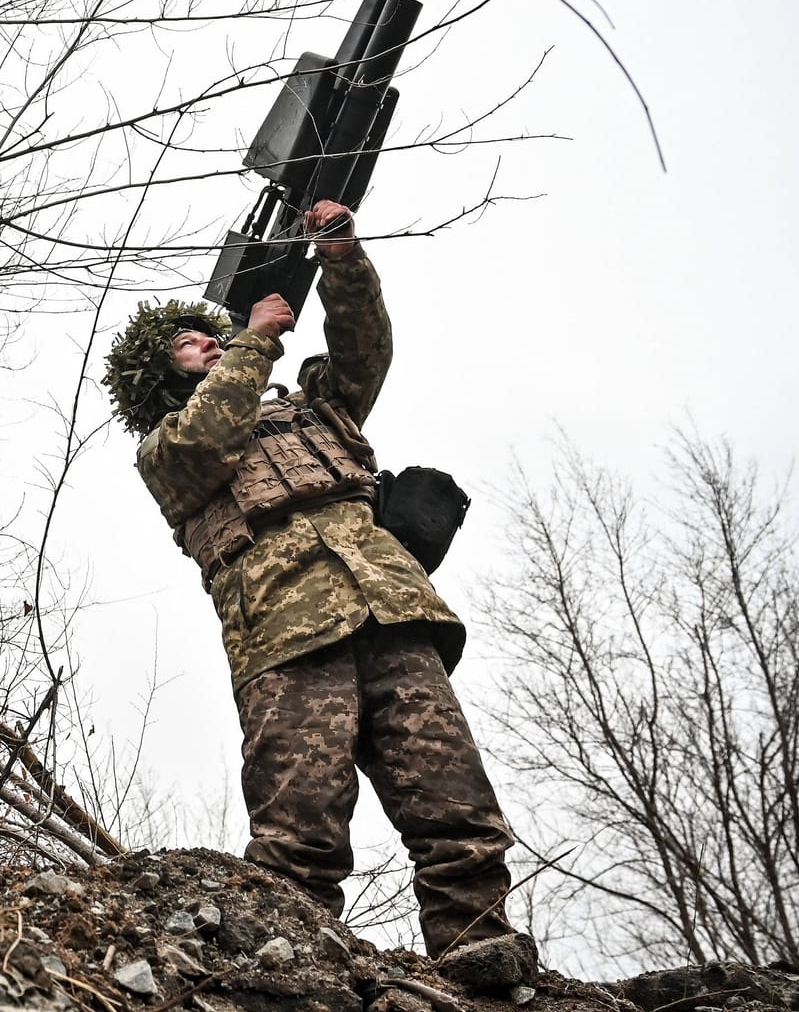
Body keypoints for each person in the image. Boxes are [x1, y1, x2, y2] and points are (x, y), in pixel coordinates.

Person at [103, 200, 535, 983]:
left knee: (456, 805)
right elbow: (210, 435)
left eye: (208, 332)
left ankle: (479, 958)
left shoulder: (313, 409)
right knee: (300, 826)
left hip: (394, 611)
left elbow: (364, 351)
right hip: (285, 636)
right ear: (161, 379)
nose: (205, 339)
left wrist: (340, 254)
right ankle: (291, 974)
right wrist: (255, 339)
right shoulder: (165, 451)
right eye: (185, 344)